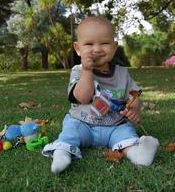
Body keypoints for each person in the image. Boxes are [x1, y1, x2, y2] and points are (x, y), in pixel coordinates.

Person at [42, 16, 159, 174]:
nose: (97, 49)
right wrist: (87, 71)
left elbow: (133, 97)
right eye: (89, 44)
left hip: (115, 126)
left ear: (114, 46)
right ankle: (62, 153)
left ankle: (138, 154)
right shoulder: (78, 71)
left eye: (104, 43)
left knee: (126, 134)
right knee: (70, 133)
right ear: (77, 48)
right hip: (83, 123)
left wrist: (134, 110)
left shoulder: (122, 73)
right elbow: (82, 97)